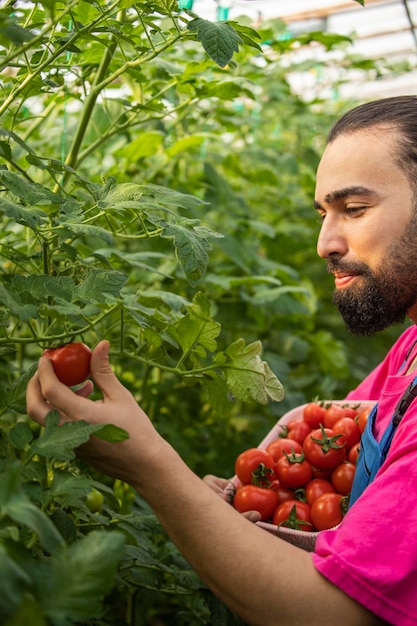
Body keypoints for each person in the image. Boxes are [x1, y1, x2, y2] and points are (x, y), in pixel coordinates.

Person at [26, 95, 417, 626]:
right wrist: (215, 510)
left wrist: (151, 468)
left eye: (354, 210)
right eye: (323, 213)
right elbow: (329, 444)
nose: (324, 241)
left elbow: (333, 613)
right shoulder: (409, 350)